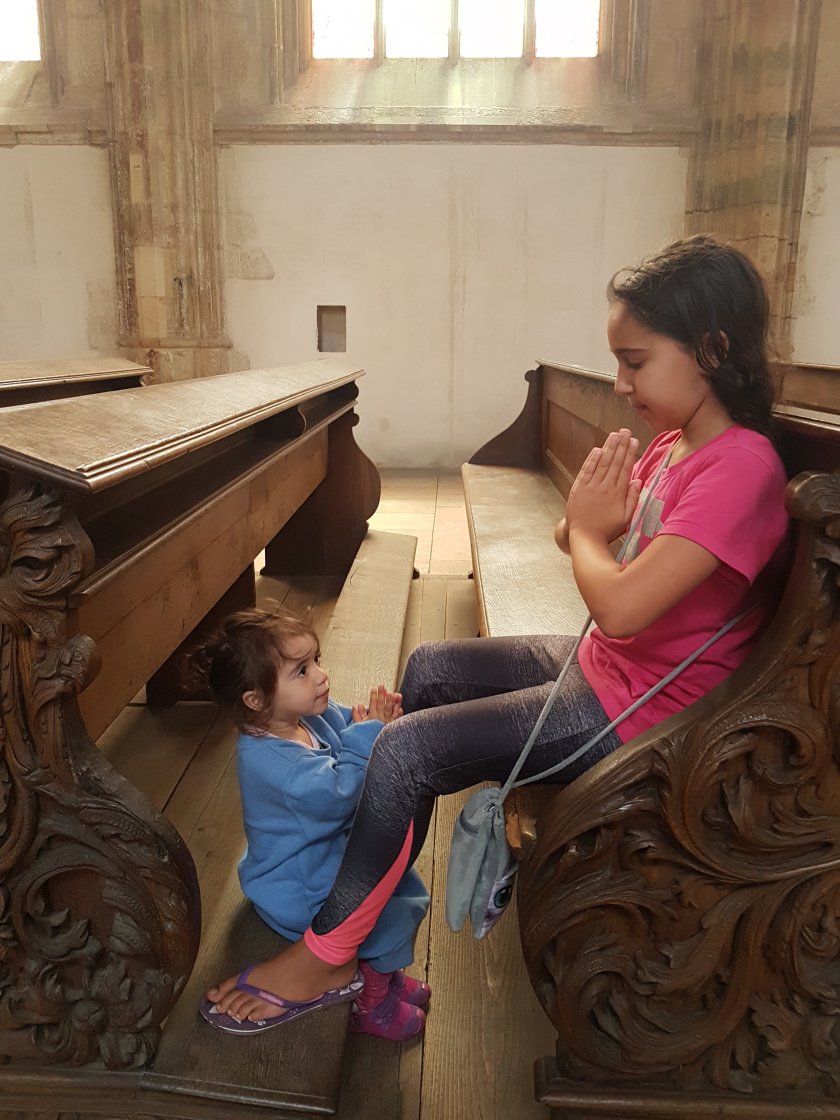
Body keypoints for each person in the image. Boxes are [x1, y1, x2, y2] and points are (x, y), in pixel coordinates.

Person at [206, 234, 791, 1030]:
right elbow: (577, 539)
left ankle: (328, 952)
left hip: (647, 711)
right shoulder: (671, 445)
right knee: (431, 667)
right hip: (608, 666)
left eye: (636, 361)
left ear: (713, 350)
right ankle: (366, 897)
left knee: (404, 751)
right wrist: (587, 524)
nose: (621, 384)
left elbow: (618, 602)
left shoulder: (741, 467)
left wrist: (590, 530)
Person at [193, 605, 430, 1039]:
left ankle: (384, 973)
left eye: (316, 660)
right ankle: (371, 1001)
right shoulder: (274, 765)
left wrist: (373, 723)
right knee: (390, 908)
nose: (321, 676)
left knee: (398, 879)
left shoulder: (302, 716)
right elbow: (340, 797)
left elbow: (346, 726)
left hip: (323, 856)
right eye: (301, 671)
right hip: (301, 888)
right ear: (256, 699)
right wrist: (369, 733)